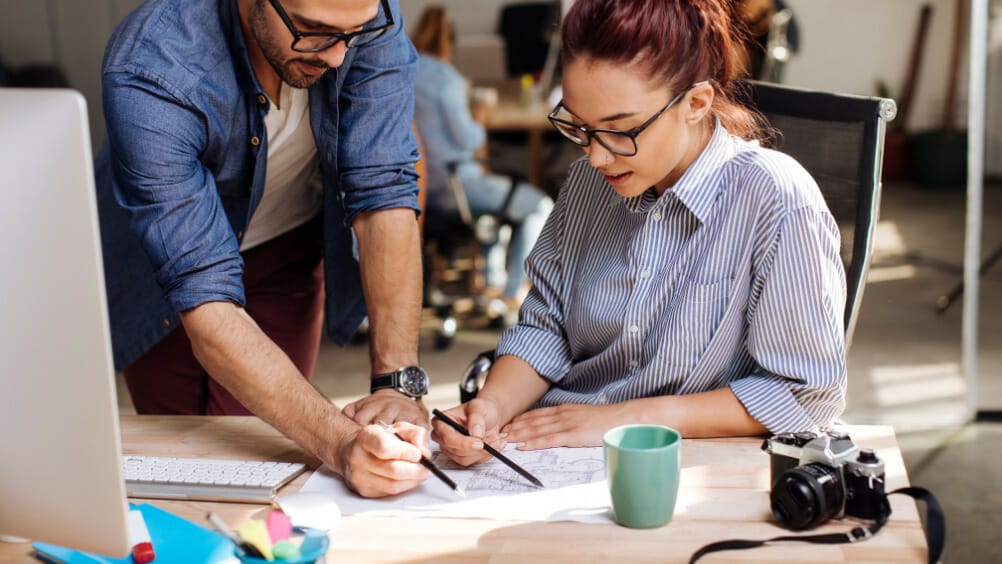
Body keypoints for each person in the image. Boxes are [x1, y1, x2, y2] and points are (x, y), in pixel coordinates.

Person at [433, 0, 846, 465]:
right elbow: (546, 327)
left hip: (685, 466)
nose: (596, 157)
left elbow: (804, 395)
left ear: (695, 103)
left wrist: (624, 418)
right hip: (556, 448)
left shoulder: (775, 199)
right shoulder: (589, 183)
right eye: (581, 128)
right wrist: (490, 408)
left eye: (620, 130)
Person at [96, 0, 432, 497]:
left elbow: (385, 193)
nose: (338, 56)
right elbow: (202, 292)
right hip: (161, 266)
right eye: (313, 30)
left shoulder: (362, 17)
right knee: (189, 457)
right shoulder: (152, 65)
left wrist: (397, 386)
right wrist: (341, 442)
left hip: (286, 251)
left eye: (352, 34)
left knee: (263, 447)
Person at [410, 5, 553, 305]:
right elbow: (468, 138)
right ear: (449, 42)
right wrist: (479, 116)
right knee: (539, 206)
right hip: (456, 187)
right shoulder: (449, 81)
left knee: (499, 204)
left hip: (421, 187)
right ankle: (514, 288)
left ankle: (491, 280)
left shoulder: (405, 74)